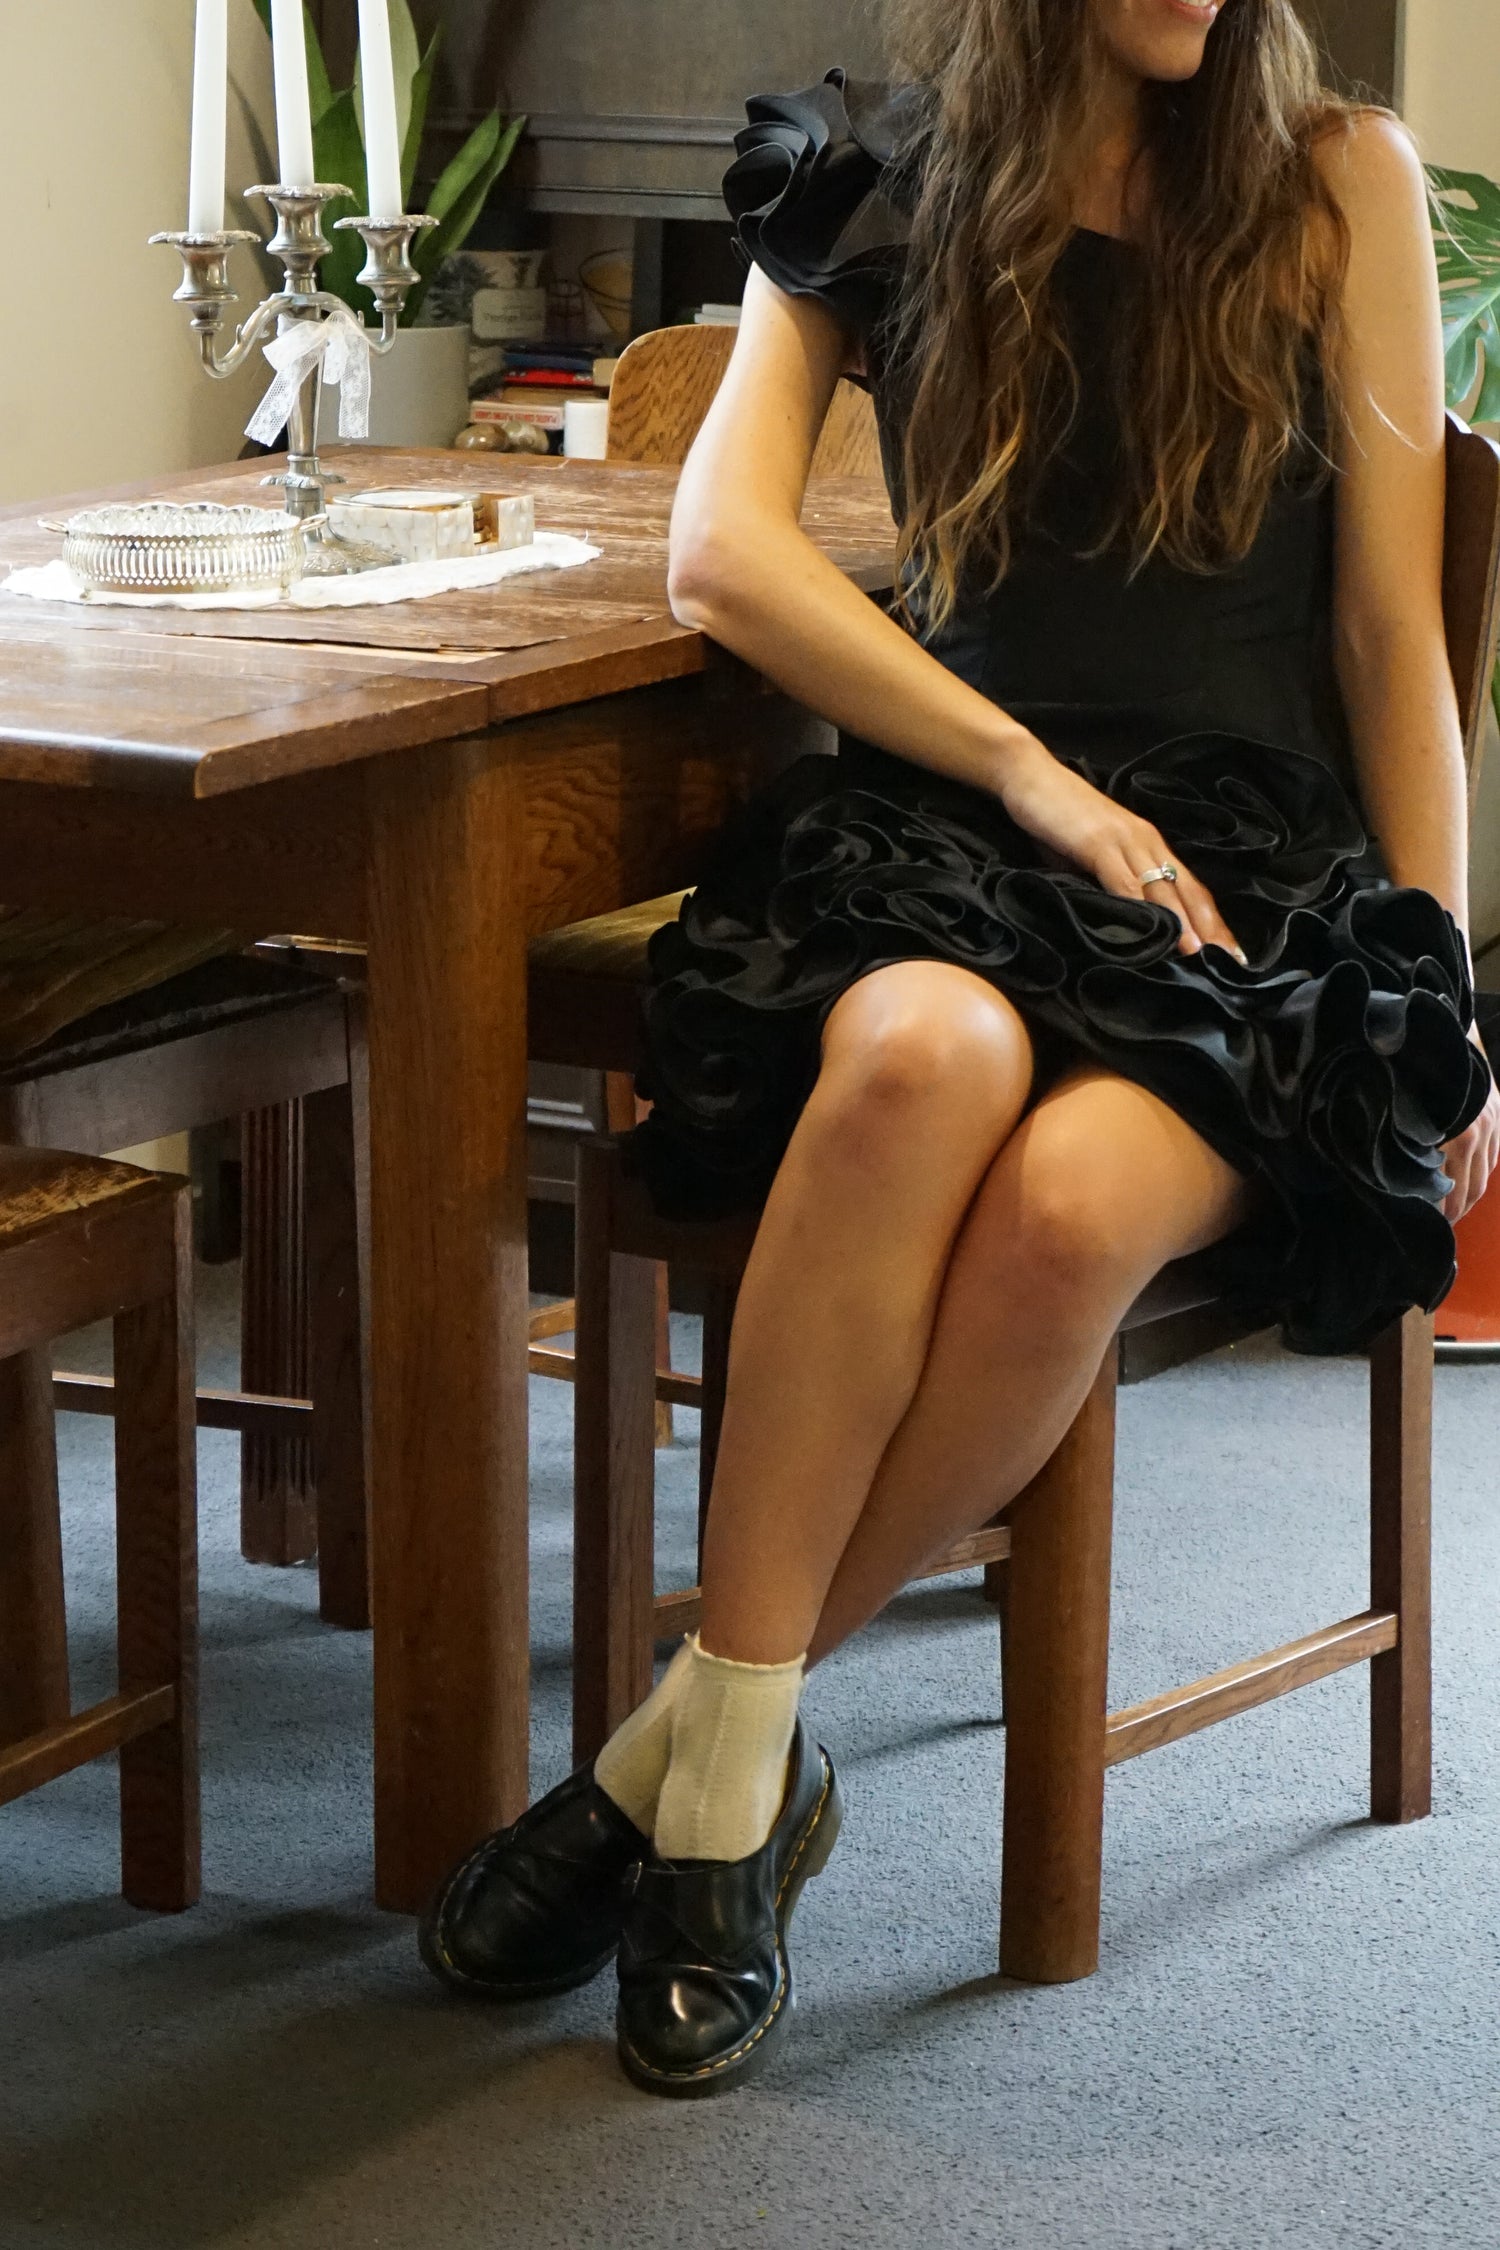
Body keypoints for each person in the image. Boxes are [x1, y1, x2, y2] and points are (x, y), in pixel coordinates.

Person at [421, 0, 1500, 2097]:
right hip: (969, 823)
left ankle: (692, 1763)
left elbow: (1390, 631)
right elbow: (721, 548)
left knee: (1074, 1201)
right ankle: (731, 1789)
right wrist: (1026, 775)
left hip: (1246, 881)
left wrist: (1440, 980)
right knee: (914, 1062)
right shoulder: (865, 173)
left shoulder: (1336, 179)